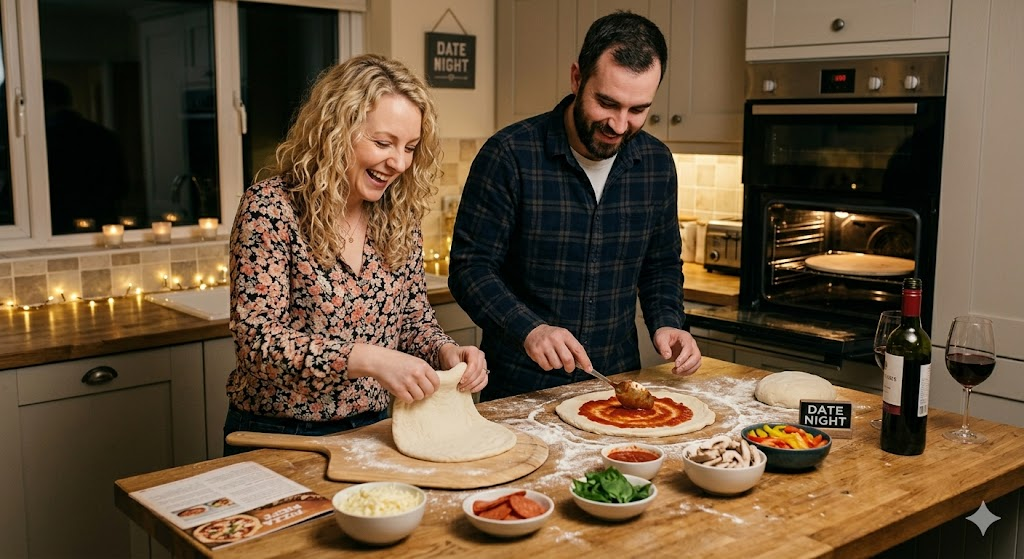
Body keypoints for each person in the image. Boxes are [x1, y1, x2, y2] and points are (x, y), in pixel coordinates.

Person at [224, 54, 488, 455]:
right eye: (383, 143)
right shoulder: (271, 208)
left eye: (410, 147)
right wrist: (369, 359)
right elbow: (259, 343)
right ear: (335, 130)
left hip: (376, 430)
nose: (398, 163)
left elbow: (412, 318)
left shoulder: (398, 216)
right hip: (277, 435)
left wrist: (444, 351)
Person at [448, 11, 701, 401]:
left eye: (637, 110)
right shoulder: (510, 155)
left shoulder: (655, 163)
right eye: (607, 103)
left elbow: (661, 264)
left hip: (614, 384)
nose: (619, 125)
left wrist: (668, 322)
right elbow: (470, 269)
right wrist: (529, 328)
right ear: (577, 79)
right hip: (520, 390)